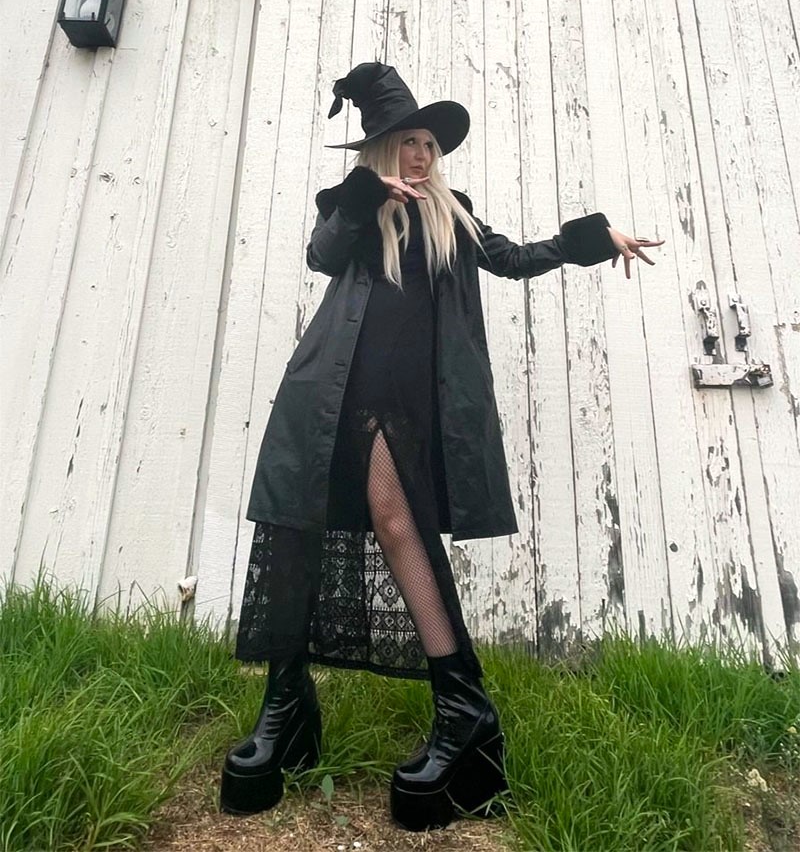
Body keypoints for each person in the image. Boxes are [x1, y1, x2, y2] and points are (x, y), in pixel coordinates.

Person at [218, 62, 664, 830]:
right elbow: (321, 256)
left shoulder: (452, 215)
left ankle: (464, 714)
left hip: (405, 407)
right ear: (381, 150)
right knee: (295, 532)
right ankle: (286, 709)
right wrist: (365, 199)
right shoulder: (351, 209)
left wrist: (593, 238)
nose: (421, 153)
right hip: (329, 395)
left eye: (428, 142)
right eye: (406, 141)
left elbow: (515, 258)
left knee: (398, 525)